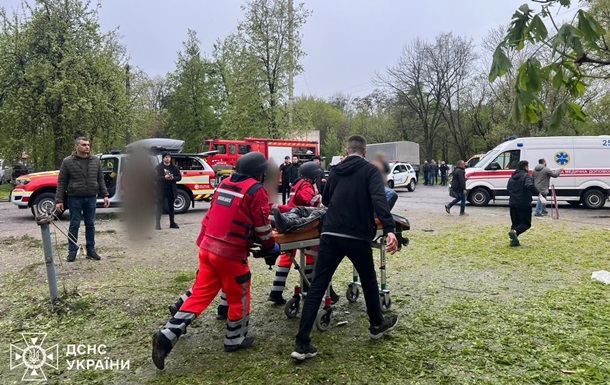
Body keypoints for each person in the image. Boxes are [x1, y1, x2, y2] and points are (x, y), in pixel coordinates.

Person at [152, 152, 280, 370]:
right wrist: (271, 248)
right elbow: (262, 227)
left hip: (208, 246)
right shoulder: (255, 191)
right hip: (229, 253)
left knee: (200, 293)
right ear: (260, 173)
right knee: (239, 293)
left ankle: (166, 336)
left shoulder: (225, 184)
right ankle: (235, 340)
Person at [291, 135, 399, 361]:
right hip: (357, 235)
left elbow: (327, 200)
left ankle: (301, 344)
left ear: (346, 150)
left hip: (330, 233)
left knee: (318, 286)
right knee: (369, 281)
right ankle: (376, 325)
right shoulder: (370, 171)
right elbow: (380, 199)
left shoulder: (335, 171)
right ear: (365, 152)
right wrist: (390, 229)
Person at [268, 161, 322, 305]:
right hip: (302, 224)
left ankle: (276, 291)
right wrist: (320, 199)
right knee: (310, 256)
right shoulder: (306, 185)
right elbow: (308, 200)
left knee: (287, 257)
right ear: (312, 176)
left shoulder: (296, 183)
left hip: (290, 220)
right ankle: (307, 288)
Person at [55, 137, 110, 262]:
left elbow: (100, 179)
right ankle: (72, 251)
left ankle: (91, 250)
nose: (87, 147)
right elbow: (61, 182)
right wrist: (59, 200)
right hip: (74, 197)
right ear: (76, 147)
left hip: (91, 197)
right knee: (74, 224)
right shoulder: (67, 162)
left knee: (90, 224)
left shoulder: (95, 161)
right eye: (84, 145)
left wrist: (105, 195)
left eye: (88, 145)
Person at [507, 160, 540, 247]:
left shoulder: (512, 176)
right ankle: (515, 233)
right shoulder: (526, 176)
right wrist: (538, 193)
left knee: (515, 223)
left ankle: (514, 240)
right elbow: (529, 186)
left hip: (513, 203)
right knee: (526, 223)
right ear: (526, 167)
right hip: (523, 203)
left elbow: (508, 188)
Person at [155, 153, 182, 230]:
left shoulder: (174, 167)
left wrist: (173, 178)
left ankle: (172, 223)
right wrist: (164, 177)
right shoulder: (158, 167)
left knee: (171, 207)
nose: (167, 159)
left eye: (169, 157)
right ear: (163, 158)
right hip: (161, 189)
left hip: (171, 189)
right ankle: (157, 224)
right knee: (159, 207)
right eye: (166, 157)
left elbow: (179, 177)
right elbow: (154, 177)